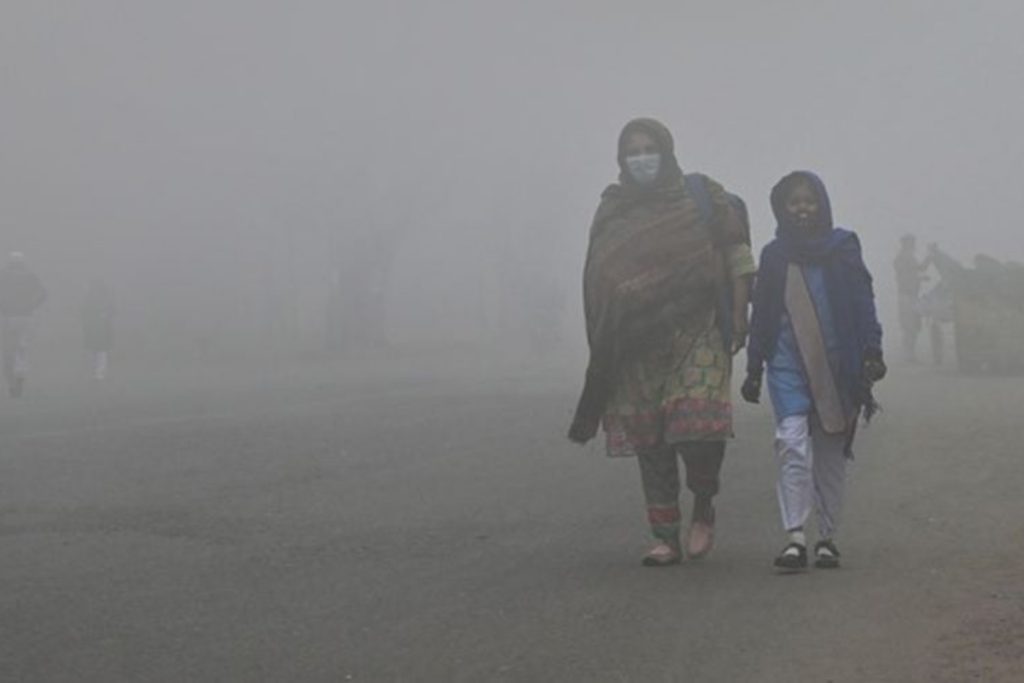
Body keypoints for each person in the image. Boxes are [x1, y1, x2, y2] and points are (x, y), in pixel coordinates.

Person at [568, 118, 755, 566]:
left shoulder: (702, 195)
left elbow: (738, 253)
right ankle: (665, 535)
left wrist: (740, 314)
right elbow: (600, 272)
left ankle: (703, 503)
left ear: (667, 152)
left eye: (649, 148)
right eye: (632, 151)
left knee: (698, 428)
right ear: (621, 160)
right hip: (636, 340)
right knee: (650, 438)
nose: (642, 158)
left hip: (699, 328)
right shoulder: (613, 209)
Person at [741, 172, 885, 572]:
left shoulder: (843, 248)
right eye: (794, 202)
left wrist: (872, 349)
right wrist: (754, 367)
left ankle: (826, 536)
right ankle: (795, 537)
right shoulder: (774, 256)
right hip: (786, 363)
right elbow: (762, 314)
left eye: (809, 201)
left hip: (838, 367)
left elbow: (863, 302)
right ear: (781, 208)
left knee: (829, 453)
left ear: (822, 204)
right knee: (791, 443)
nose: (802, 209)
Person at [0, 252, 47, 397]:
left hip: (8, 317)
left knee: (8, 351)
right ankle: (20, 376)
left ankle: (11, 382)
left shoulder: (4, 276)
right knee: (22, 349)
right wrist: (32, 305)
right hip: (26, 317)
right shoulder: (30, 276)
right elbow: (43, 293)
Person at [893, 233, 928, 361]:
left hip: (910, 295)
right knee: (910, 326)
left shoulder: (906, 257)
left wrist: (919, 278)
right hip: (907, 296)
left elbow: (915, 271)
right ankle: (909, 355)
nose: (914, 245)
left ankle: (910, 354)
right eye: (911, 243)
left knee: (912, 326)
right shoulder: (903, 258)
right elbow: (911, 273)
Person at [82, 279, 115, 380]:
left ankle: (98, 373)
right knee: (98, 351)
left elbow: (113, 310)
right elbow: (83, 312)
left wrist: (106, 314)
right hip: (96, 328)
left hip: (99, 328)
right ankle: (98, 373)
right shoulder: (91, 298)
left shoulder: (92, 297)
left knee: (99, 351)